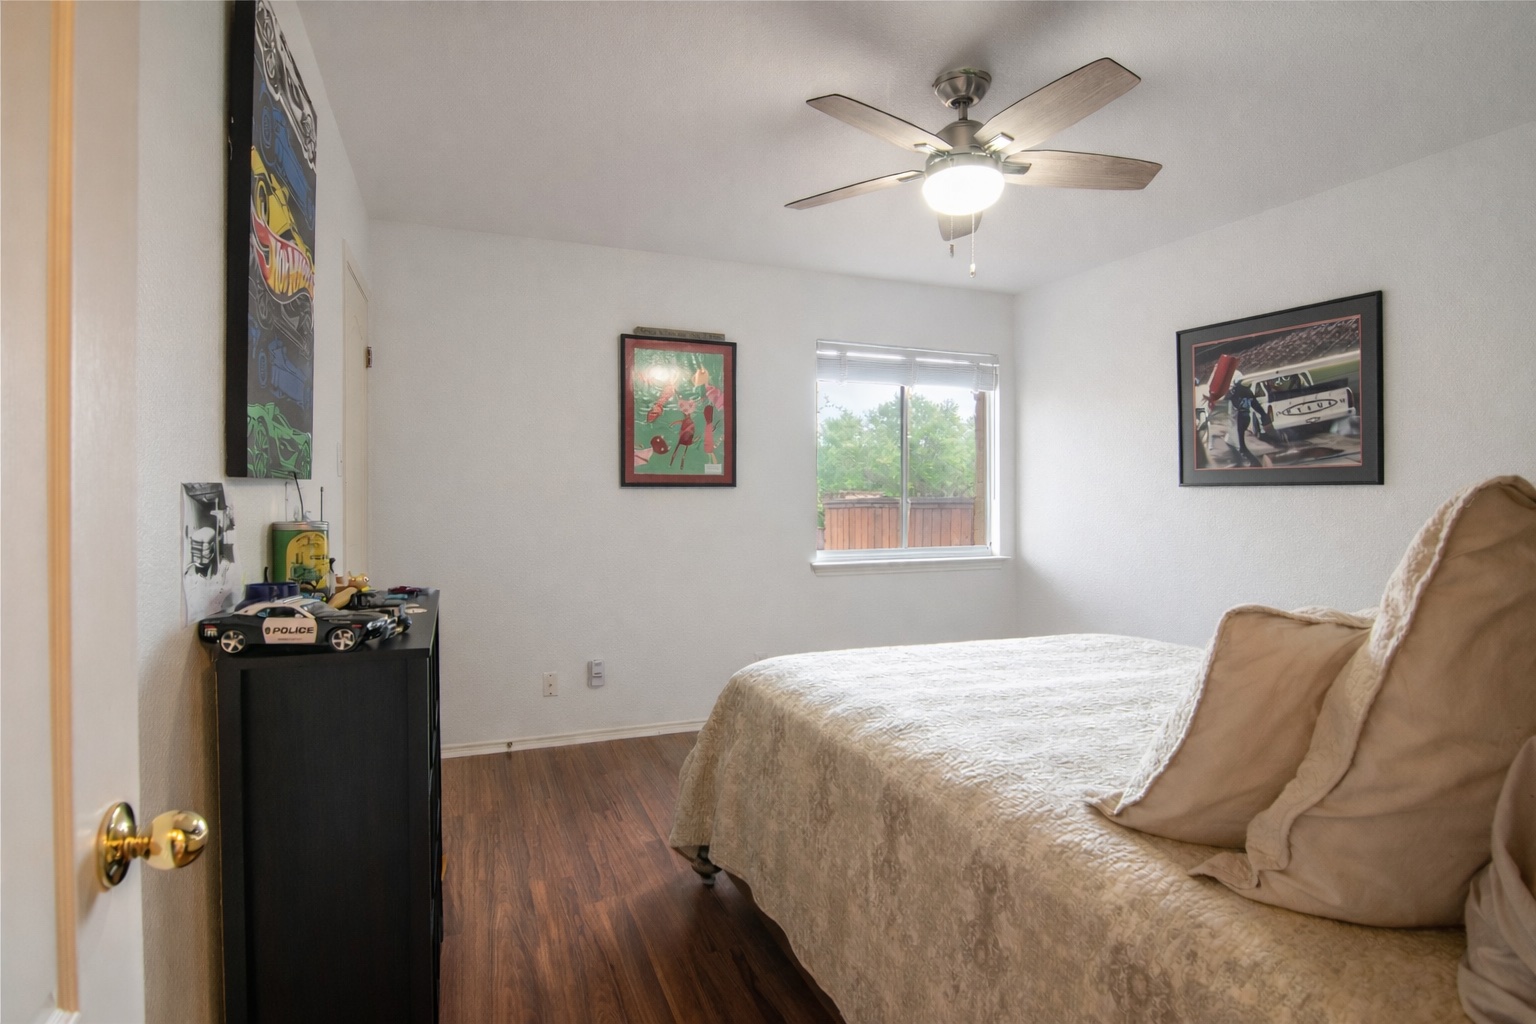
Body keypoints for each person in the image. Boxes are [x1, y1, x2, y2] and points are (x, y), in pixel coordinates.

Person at [1227, 371, 1266, 463]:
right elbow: (1255, 405)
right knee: (1238, 441)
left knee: (1237, 442)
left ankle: (1250, 460)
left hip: (1239, 418)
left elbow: (1234, 403)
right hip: (1245, 417)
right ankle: (1246, 458)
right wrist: (1263, 414)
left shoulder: (1235, 392)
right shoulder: (1248, 391)